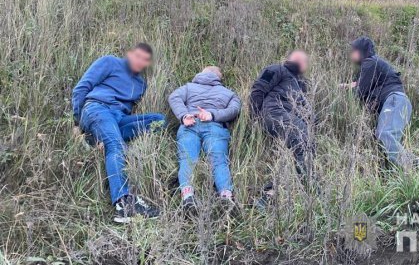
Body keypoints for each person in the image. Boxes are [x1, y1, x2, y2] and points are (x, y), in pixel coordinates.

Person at [72, 43, 166, 223]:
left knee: (159, 120)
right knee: (116, 146)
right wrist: (78, 122)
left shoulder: (141, 84)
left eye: (145, 60)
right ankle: (124, 203)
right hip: (97, 109)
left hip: (118, 119)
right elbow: (81, 88)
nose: (140, 61)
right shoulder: (110, 62)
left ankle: (96, 140)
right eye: (137, 56)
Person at [168, 66, 241, 213]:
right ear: (218, 78)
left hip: (190, 123)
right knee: (219, 161)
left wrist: (183, 116)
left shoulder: (188, 87)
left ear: (201, 74)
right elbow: (234, 110)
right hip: (215, 127)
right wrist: (212, 115)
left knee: (187, 159)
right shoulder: (229, 93)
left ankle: (188, 196)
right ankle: (226, 196)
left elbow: (173, 97)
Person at [249, 50, 314, 208]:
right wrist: (255, 117)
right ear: (299, 60)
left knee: (293, 155)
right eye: (305, 61)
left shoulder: (298, 84)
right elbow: (258, 90)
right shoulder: (277, 69)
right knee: (302, 146)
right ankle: (311, 190)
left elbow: (305, 110)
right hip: (277, 113)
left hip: (291, 119)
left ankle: (269, 196)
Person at [343, 36, 419, 169]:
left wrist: (347, 90)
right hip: (397, 102)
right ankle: (408, 171)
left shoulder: (370, 62)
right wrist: (350, 85)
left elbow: (360, 91)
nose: (351, 53)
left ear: (361, 50)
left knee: (384, 134)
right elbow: (362, 85)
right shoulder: (371, 65)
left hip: (394, 100)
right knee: (388, 142)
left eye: (354, 50)